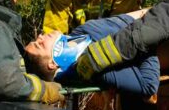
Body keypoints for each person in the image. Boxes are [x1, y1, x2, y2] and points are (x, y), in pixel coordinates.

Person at [25, 9, 159, 102]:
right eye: (39, 45)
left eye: (36, 40)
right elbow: (148, 85)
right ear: (53, 64)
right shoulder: (95, 67)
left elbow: (125, 19)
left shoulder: (79, 33)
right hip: (161, 32)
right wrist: (147, 36)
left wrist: (147, 14)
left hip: (153, 15)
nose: (40, 36)